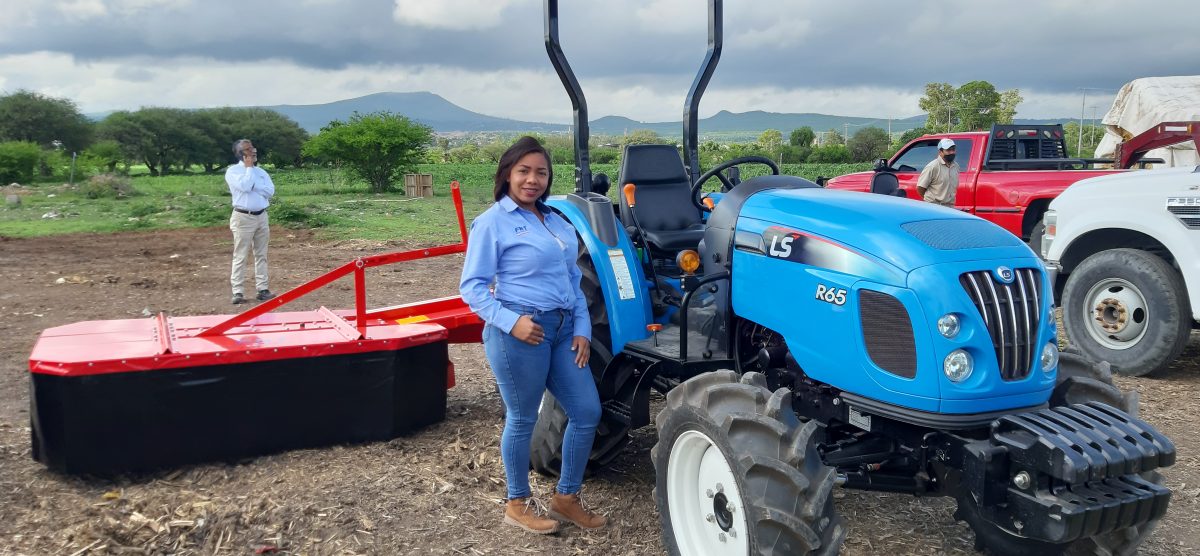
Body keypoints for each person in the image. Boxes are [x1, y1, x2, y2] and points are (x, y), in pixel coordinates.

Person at [459, 136, 606, 535]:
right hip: (520, 333)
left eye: (540, 172)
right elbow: (471, 288)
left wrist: (581, 326)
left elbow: (573, 280)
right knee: (523, 417)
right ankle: (517, 503)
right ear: (507, 174)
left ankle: (565, 498)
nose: (532, 180)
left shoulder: (557, 220)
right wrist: (512, 322)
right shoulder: (492, 222)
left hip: (561, 331)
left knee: (587, 411)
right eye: (523, 171)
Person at [225, 139, 276, 305]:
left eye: (252, 147)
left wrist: (255, 186)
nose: (252, 151)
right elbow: (246, 187)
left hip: (261, 216)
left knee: (261, 254)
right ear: (240, 154)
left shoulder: (261, 172)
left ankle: (263, 289)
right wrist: (248, 172)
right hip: (243, 217)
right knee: (240, 254)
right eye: (247, 149)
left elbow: (270, 191)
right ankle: (238, 291)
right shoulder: (233, 172)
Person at [916, 137, 960, 208]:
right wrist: (931, 201)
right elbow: (920, 188)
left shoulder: (956, 166)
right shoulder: (932, 166)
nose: (951, 152)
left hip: (950, 207)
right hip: (934, 207)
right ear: (940, 152)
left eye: (953, 150)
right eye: (948, 150)